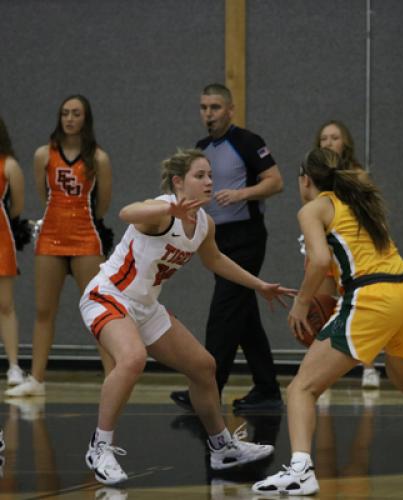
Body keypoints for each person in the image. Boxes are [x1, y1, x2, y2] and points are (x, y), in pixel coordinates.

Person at [252, 148, 403, 496]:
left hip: (372, 297)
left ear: (305, 179)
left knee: (301, 389)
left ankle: (300, 470)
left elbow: (321, 260)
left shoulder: (312, 209)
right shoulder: (362, 202)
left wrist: (302, 304)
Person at [79, 149, 292, 485]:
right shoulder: (161, 212)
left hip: (146, 307)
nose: (209, 181)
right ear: (179, 182)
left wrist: (260, 285)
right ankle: (100, 446)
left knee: (204, 366)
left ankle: (223, 448)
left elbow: (217, 261)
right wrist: (168, 206)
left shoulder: (204, 224)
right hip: (108, 296)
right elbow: (126, 212)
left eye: (210, 175)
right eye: (200, 175)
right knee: (132, 359)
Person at [171, 83, 284, 412]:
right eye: (204, 107)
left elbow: (276, 182)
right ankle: (267, 389)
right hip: (217, 237)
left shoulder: (248, 142)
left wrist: (240, 195)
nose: (208, 113)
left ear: (230, 110)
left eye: (215, 107)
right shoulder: (200, 148)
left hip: (246, 237)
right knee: (244, 316)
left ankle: (205, 390)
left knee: (223, 313)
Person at [6, 95, 114, 398]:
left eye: (76, 113)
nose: (69, 118)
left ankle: (112, 377)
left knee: (98, 310)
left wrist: (83, 219)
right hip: (51, 237)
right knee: (44, 310)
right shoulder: (44, 154)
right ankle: (37, 379)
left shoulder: (99, 158)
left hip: (86, 238)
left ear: (85, 118)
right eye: (65, 113)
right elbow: (44, 195)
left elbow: (103, 203)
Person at [312, 119, 380, 389]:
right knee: (326, 307)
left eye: (334, 137)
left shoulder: (357, 175)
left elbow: (371, 215)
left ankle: (369, 366)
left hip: (353, 251)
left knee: (359, 306)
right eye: (324, 138)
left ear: (346, 143)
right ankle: (322, 371)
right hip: (324, 248)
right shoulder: (312, 177)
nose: (329, 142)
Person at [0, 116, 26, 387]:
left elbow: (16, 208)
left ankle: (14, 366)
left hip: (0, 238)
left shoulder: (8, 165)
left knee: (5, 305)